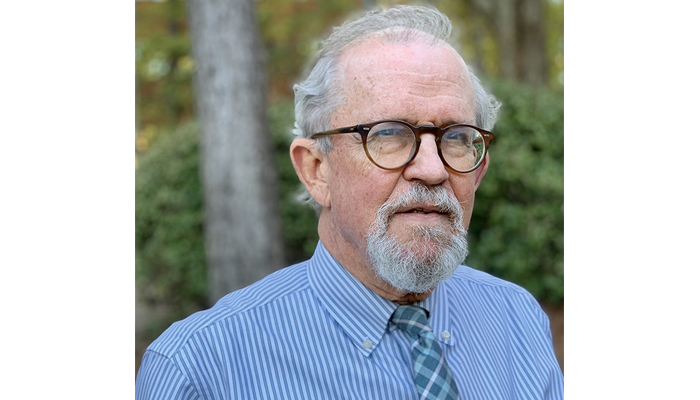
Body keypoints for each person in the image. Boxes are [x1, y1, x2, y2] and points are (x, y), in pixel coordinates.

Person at [136, 5, 563, 399]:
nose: (433, 170)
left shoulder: (516, 320)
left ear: (480, 169)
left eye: (455, 137)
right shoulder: (200, 371)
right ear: (316, 170)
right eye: (390, 134)